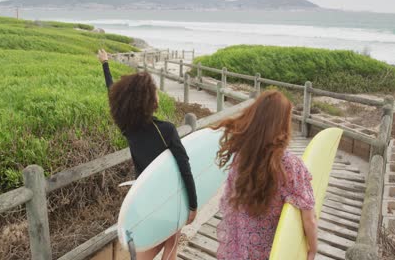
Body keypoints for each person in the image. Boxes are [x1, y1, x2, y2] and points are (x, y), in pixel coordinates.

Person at [98, 49, 197, 260]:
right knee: (170, 246)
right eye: (155, 91)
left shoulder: (128, 128)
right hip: (170, 198)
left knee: (146, 250)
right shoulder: (167, 130)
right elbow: (184, 167)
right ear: (148, 100)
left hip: (144, 199)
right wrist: (193, 205)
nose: (157, 94)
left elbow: (112, 92)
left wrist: (105, 64)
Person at [213, 91, 318, 260]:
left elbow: (231, 202)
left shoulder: (242, 156)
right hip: (274, 252)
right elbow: (309, 218)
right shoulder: (290, 165)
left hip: (242, 248)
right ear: (283, 124)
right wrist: (313, 249)